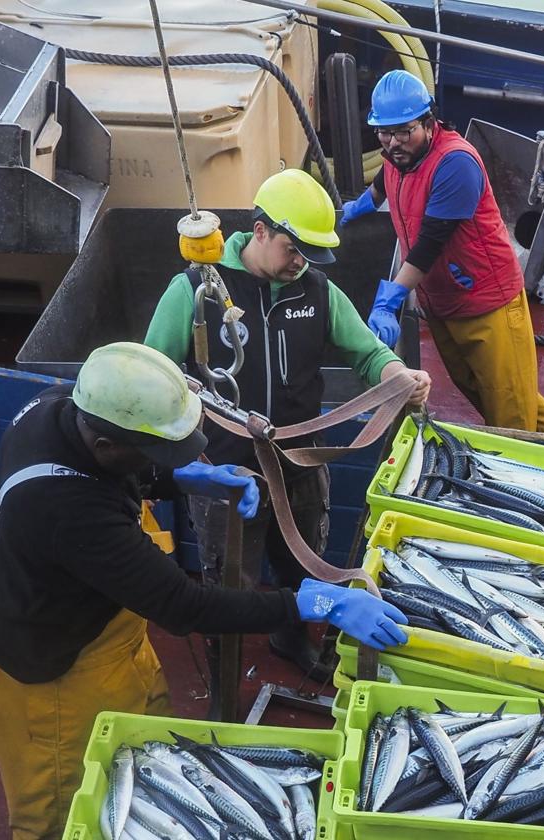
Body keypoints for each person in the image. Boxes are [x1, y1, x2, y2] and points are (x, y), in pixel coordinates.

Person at [0, 342, 408, 840]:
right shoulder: (67, 511)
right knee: (64, 811)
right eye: (156, 451)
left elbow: (120, 462)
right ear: (107, 446)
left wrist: (180, 476)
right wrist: (311, 602)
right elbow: (186, 604)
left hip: (111, 637)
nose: (162, 459)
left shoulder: (62, 407)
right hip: (53, 673)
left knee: (151, 766)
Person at [144, 169, 430, 685]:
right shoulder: (193, 291)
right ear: (259, 231)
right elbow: (154, 376)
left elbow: (367, 353)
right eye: (292, 249)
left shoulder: (317, 290)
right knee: (231, 584)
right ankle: (225, 677)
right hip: (225, 474)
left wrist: (399, 377)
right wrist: (183, 460)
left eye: (309, 255)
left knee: (306, 566)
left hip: (300, 465)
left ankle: (293, 638)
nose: (300, 263)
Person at [340, 69, 544, 435]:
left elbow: (431, 242)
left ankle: (542, 459)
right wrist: (356, 208)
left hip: (487, 302)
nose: (394, 142)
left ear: (429, 122)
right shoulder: (396, 155)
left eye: (405, 131)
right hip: (442, 302)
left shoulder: (455, 164)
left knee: (509, 409)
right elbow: (382, 185)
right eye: (385, 133)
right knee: (481, 389)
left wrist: (389, 299)